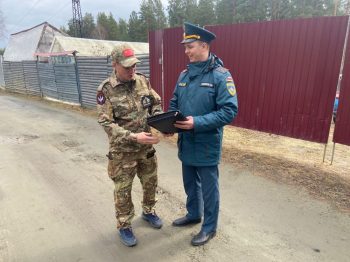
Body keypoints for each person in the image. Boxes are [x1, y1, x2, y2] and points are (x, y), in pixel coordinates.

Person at [168, 22, 238, 246]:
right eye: (185, 47)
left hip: (207, 143)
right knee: (190, 183)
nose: (186, 51)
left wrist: (197, 122)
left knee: (209, 188)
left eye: (190, 46)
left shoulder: (221, 76)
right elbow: (174, 103)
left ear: (205, 46)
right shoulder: (184, 75)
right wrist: (169, 124)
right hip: (186, 141)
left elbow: (229, 111)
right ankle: (193, 215)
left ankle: (209, 227)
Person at [96, 44, 163, 247]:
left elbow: (155, 104)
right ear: (115, 65)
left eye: (134, 66)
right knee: (123, 190)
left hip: (146, 148)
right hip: (123, 152)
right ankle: (124, 224)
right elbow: (106, 123)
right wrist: (133, 137)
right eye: (127, 67)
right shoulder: (105, 90)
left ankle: (149, 211)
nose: (131, 70)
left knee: (150, 181)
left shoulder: (143, 80)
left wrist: (160, 121)